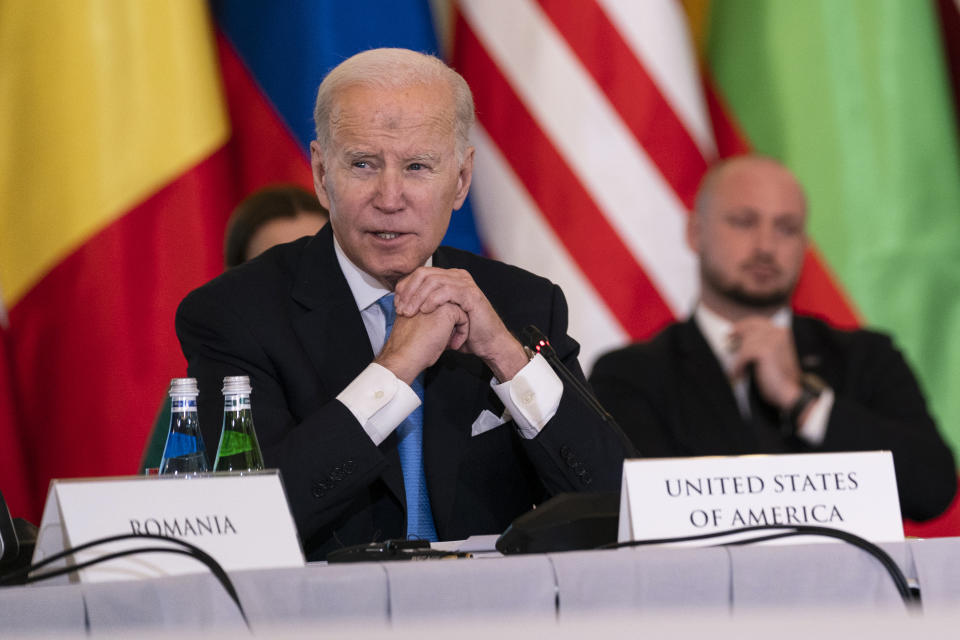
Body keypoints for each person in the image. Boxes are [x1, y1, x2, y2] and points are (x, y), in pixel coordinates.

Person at [176, 48, 633, 559]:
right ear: (321, 173)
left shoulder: (522, 304)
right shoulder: (235, 314)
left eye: (417, 166)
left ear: (460, 181)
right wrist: (393, 371)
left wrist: (507, 358)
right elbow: (250, 519)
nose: (390, 197)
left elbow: (619, 504)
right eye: (363, 164)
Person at [589, 155, 957, 522]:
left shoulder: (867, 357)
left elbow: (932, 488)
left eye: (786, 227)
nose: (766, 246)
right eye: (744, 222)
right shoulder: (631, 375)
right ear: (695, 233)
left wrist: (803, 402)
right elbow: (632, 510)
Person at [141, 186, 328, 472]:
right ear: (235, 281)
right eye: (277, 270)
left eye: (313, 265)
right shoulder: (196, 397)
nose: (298, 287)